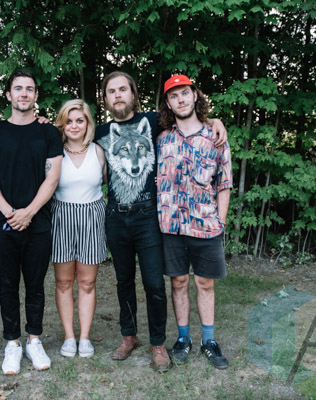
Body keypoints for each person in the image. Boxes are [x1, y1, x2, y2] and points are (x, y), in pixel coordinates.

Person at [95, 71, 227, 371]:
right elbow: (68, 133)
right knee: (124, 281)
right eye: (111, 91)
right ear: (105, 99)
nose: (118, 95)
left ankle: (157, 343)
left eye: (123, 89)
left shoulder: (154, 121)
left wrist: (215, 122)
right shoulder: (99, 131)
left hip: (149, 217)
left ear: (133, 94)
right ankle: (129, 337)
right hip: (116, 216)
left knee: (154, 283)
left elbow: (189, 119)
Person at [0, 69, 63, 375]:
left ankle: (34, 340)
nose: (24, 93)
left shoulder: (48, 133)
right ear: (8, 94)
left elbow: (52, 178)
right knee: (7, 284)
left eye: (29, 88)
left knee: (36, 284)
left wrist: (28, 212)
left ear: (36, 95)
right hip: (4, 222)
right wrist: (10, 212)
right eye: (18, 88)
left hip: (38, 222)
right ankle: (12, 343)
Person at [157, 74, 233, 369]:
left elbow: (224, 184)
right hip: (171, 224)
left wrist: (220, 223)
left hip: (205, 223)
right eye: (174, 96)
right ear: (168, 103)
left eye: (185, 93)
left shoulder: (215, 137)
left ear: (195, 95)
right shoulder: (161, 138)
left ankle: (209, 341)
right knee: (178, 282)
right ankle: (183, 338)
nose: (181, 100)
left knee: (205, 283)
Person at [51, 99, 107, 358]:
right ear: (62, 124)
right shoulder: (54, 151)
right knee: (63, 282)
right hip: (61, 216)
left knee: (87, 281)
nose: (74, 126)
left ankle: (84, 337)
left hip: (92, 216)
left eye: (80, 121)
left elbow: (107, 182)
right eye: (69, 121)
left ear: (87, 123)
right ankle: (69, 337)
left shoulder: (98, 152)